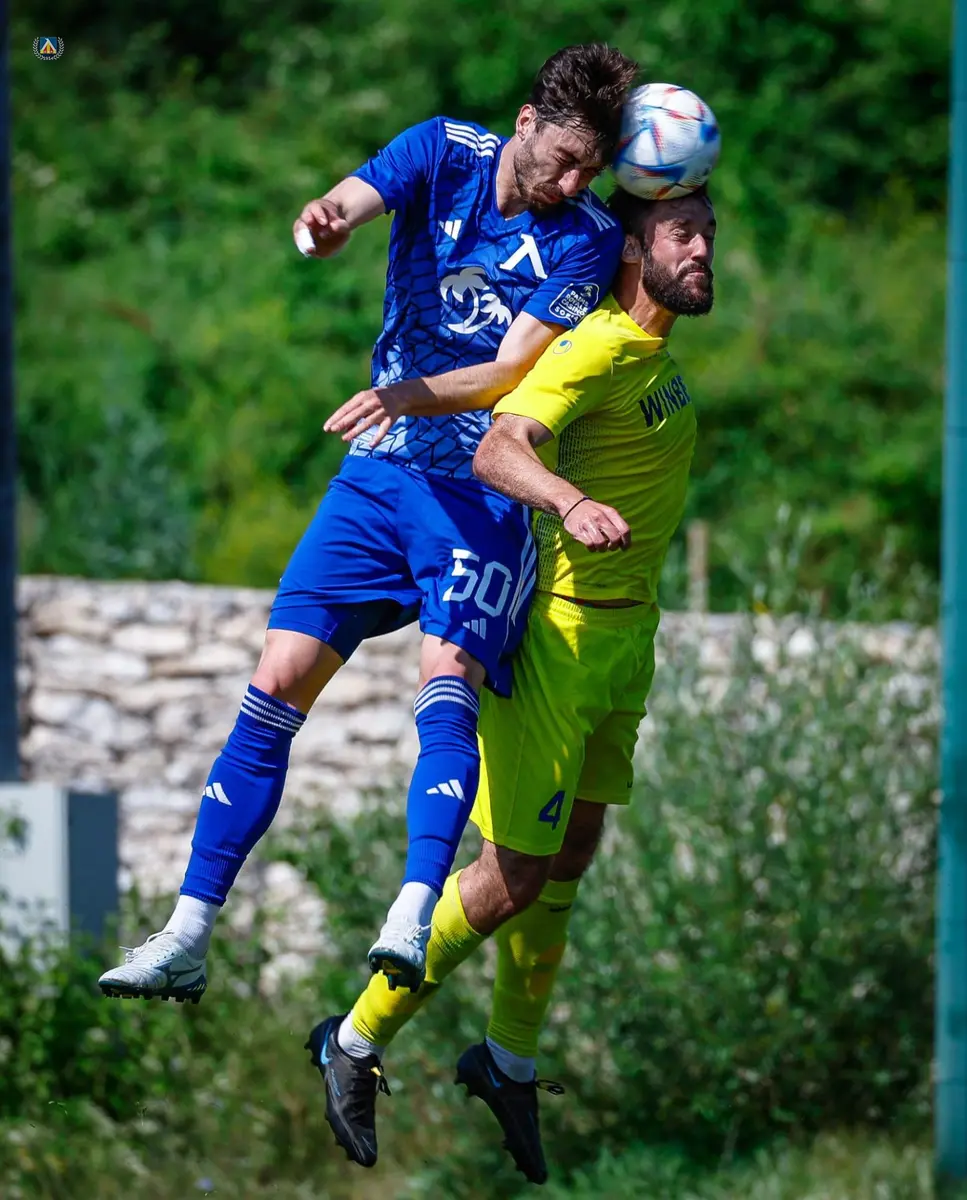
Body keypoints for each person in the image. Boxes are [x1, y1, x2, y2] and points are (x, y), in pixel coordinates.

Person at [98, 44, 638, 1004]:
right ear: (524, 124)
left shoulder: (587, 237)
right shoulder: (442, 150)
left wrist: (402, 394)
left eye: (590, 170)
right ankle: (186, 933)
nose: (572, 184)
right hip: (380, 476)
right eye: (564, 160)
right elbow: (344, 204)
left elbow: (511, 373)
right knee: (275, 679)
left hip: (483, 490)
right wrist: (322, 226)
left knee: (446, 676)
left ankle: (412, 910)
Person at [307, 184, 717, 1182]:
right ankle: (352, 1040)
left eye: (709, 233)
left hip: (626, 637)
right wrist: (567, 502)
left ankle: (507, 1059)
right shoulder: (594, 346)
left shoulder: (654, 357)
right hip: (559, 642)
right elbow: (500, 444)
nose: (703, 249)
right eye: (682, 233)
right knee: (509, 879)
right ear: (634, 249)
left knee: (573, 849)